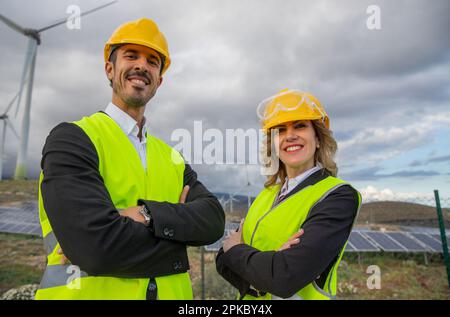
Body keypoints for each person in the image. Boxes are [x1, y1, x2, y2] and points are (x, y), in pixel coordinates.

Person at [35, 18, 225, 300]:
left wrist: (145, 215)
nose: (141, 66)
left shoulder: (172, 158)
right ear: (110, 69)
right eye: (131, 56)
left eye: (152, 61)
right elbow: (96, 249)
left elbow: (212, 221)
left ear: (159, 80)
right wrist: (178, 238)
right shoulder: (73, 139)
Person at [216, 89, 361, 300]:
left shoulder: (337, 196)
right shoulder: (266, 195)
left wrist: (238, 250)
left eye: (300, 126)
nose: (290, 135)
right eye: (280, 130)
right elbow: (222, 260)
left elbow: (284, 278)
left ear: (319, 138)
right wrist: (266, 271)